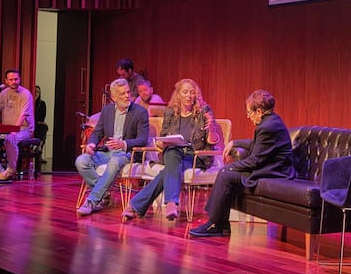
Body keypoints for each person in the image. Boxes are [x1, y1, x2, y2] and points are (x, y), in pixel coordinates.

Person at [189, 90, 294, 237]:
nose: (248, 116)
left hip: (275, 171)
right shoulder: (271, 120)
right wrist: (235, 142)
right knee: (226, 173)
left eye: (249, 112)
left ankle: (216, 224)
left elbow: (255, 161)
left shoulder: (267, 127)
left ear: (259, 111)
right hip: (272, 167)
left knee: (226, 174)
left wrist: (230, 167)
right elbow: (256, 144)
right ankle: (220, 224)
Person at [122, 78, 219, 221]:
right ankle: (171, 203)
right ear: (178, 94)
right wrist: (161, 143)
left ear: (196, 95)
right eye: (185, 92)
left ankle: (136, 204)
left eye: (192, 92)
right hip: (173, 152)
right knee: (173, 152)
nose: (189, 95)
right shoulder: (170, 112)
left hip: (195, 156)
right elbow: (163, 136)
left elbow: (212, 142)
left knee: (168, 171)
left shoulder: (204, 111)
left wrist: (212, 129)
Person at [75, 78, 149, 215]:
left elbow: (142, 139)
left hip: (128, 153)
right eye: (122, 94)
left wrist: (124, 144)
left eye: (128, 92)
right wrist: (91, 143)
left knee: (114, 162)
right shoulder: (107, 111)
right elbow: (97, 132)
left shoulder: (140, 112)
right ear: (114, 97)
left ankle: (92, 200)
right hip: (107, 152)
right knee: (81, 161)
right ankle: (103, 194)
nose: (127, 96)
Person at [0, 69, 34, 181]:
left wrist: (13, 130)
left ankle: (10, 171)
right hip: (6, 130)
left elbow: (23, 115)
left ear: (20, 79)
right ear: (6, 81)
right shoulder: (4, 93)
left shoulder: (26, 94)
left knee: (10, 139)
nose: (14, 82)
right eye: (11, 79)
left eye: (16, 79)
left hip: (23, 129)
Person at [34, 85, 48, 163]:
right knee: (43, 127)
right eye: (35, 91)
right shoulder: (29, 102)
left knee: (44, 127)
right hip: (31, 125)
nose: (36, 93)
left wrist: (37, 121)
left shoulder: (42, 104)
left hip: (39, 125)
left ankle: (38, 148)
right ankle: (38, 149)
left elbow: (42, 117)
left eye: (38, 92)